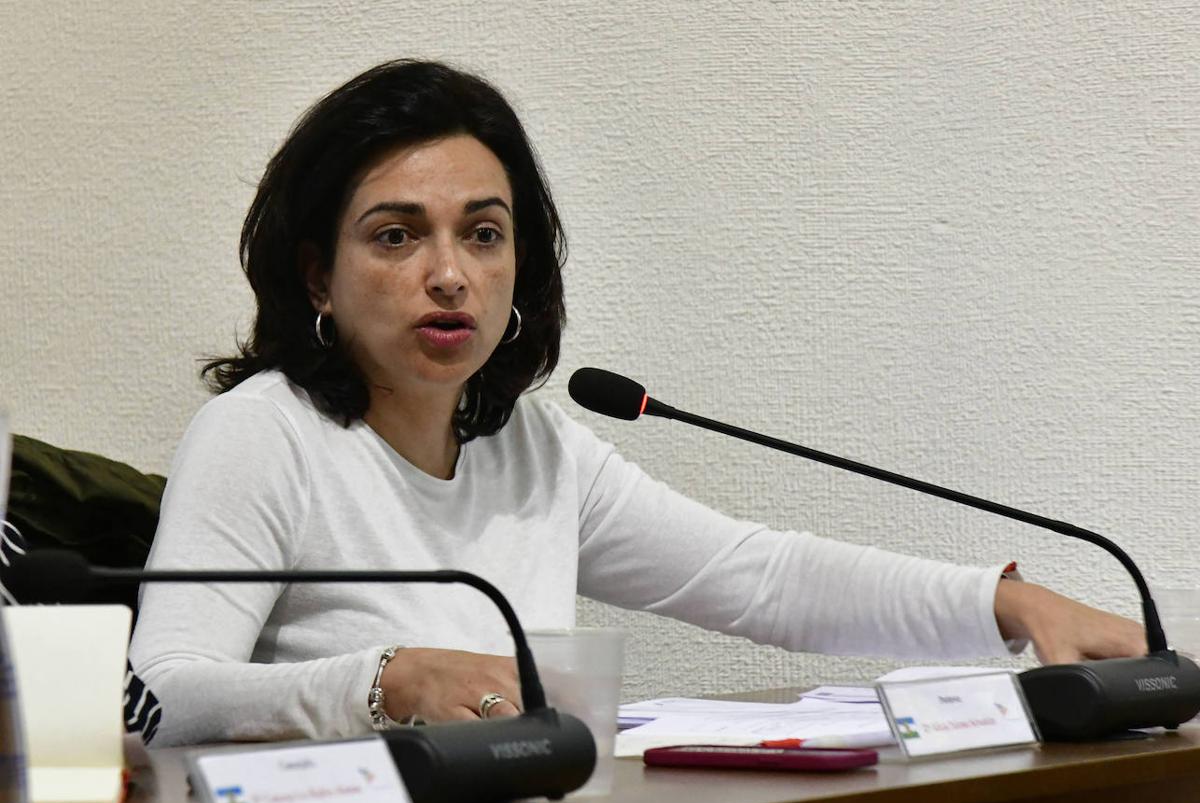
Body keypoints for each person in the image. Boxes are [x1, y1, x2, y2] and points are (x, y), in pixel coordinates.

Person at [128, 59, 1144, 747]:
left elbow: (762, 578)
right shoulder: (265, 434)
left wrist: (1008, 606)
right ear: (317, 275)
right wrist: (383, 682)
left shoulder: (532, 452)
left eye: (484, 234)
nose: (450, 274)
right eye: (397, 236)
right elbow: (154, 698)